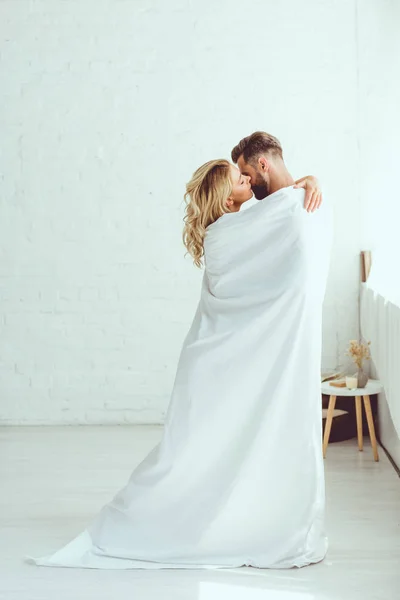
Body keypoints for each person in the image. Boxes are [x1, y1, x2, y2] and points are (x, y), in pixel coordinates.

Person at [25, 132, 332, 570]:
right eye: (240, 180)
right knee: (189, 455)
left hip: (213, 361)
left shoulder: (237, 226)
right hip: (214, 362)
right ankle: (161, 521)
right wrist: (308, 185)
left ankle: (217, 517)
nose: (247, 182)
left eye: (246, 173)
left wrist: (310, 180)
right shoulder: (233, 231)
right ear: (229, 199)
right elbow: (288, 211)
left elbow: (286, 211)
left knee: (211, 450)